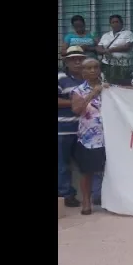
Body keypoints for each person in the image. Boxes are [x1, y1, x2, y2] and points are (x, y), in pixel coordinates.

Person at [70, 58, 109, 215]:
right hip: (89, 139)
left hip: (109, 138)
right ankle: (86, 201)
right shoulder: (78, 90)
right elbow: (77, 109)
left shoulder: (108, 87)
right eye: (89, 68)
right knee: (87, 171)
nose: (93, 70)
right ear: (83, 72)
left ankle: (110, 200)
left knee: (110, 170)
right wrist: (92, 94)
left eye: (95, 67)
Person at [58, 46, 86, 208]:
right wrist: (74, 102)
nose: (77, 61)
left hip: (85, 131)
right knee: (62, 165)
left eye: (80, 58)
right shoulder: (60, 77)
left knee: (88, 165)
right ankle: (66, 194)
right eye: (73, 59)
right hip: (63, 129)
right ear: (66, 62)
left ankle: (92, 195)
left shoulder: (90, 78)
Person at [96, 14, 133, 86]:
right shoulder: (106, 35)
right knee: (109, 85)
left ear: (121, 23)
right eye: (113, 22)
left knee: (124, 86)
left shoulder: (127, 33)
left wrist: (111, 50)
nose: (115, 24)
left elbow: (128, 47)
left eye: (117, 22)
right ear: (110, 24)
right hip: (107, 64)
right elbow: (98, 48)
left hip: (123, 65)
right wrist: (105, 51)